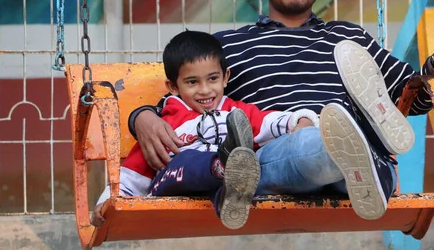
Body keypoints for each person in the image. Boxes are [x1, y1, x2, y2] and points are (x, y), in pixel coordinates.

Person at [128, 0, 434, 220]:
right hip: (279, 156)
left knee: (333, 144)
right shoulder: (227, 47)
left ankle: (360, 154)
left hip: (341, 172)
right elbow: (188, 100)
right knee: (305, 143)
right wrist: (141, 117)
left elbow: (412, 98)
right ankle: (359, 155)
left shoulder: (348, 39)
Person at [90, 30, 319, 229]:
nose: (205, 90)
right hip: (173, 181)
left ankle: (229, 196)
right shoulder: (165, 124)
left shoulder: (234, 113)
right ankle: (224, 165)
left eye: (212, 79)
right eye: (192, 82)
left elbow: (267, 121)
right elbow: (133, 173)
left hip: (217, 187)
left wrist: (299, 121)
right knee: (187, 159)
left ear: (225, 77)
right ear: (173, 87)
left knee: (231, 171)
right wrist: (108, 201)